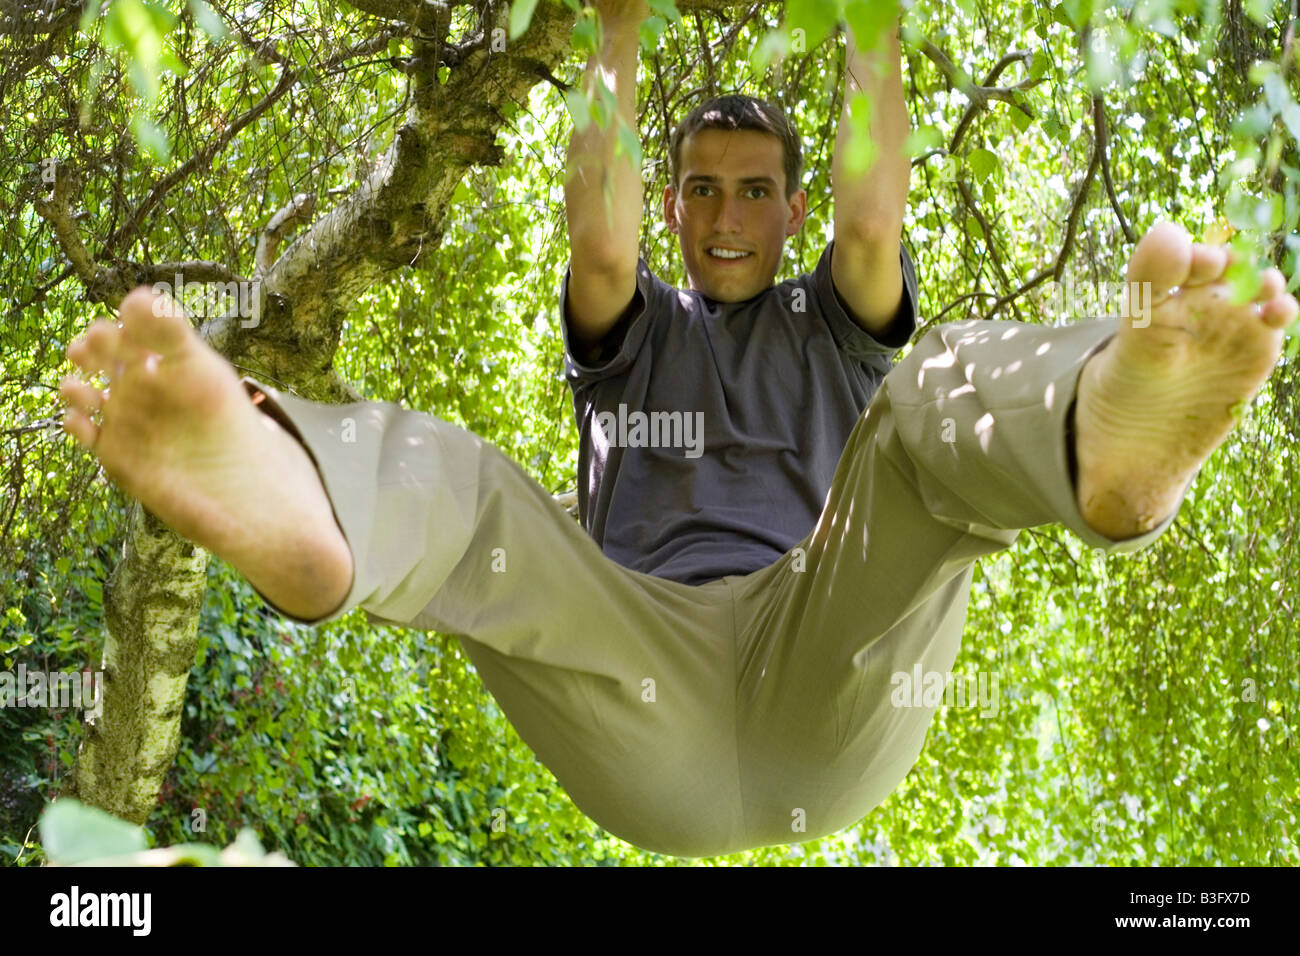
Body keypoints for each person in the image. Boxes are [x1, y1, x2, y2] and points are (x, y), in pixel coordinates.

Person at [59, 4, 1296, 858]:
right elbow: (599, 241)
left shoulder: (836, 324)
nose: (722, 214)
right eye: (698, 186)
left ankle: (1100, 439)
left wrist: (868, 19)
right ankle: (306, 503)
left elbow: (873, 223)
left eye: (754, 189)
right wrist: (614, 25)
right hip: (634, 674)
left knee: (929, 396)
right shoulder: (636, 334)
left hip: (821, 644)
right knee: (475, 492)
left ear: (790, 206)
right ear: (673, 199)